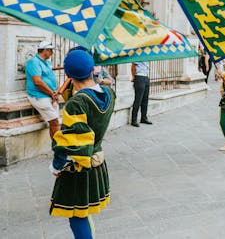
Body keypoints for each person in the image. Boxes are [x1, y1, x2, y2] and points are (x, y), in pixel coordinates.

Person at [49, 49, 115, 239]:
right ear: (92, 70)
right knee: (83, 213)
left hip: (79, 166)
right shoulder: (110, 93)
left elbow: (72, 142)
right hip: (98, 160)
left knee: (76, 215)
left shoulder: (77, 103)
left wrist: (56, 165)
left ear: (68, 75)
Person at [25, 40, 60, 138]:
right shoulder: (34, 62)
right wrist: (52, 93)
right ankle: (59, 149)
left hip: (49, 95)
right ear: (45, 50)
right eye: (50, 50)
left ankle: (57, 147)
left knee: (55, 122)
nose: (52, 53)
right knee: (55, 122)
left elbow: (49, 76)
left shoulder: (46, 62)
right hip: (39, 96)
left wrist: (54, 92)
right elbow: (37, 82)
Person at [131, 62, 152, 127]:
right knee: (138, 100)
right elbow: (133, 66)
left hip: (146, 77)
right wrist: (134, 77)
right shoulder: (138, 54)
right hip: (139, 77)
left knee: (145, 99)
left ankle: (144, 118)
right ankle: (134, 120)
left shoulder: (147, 54)